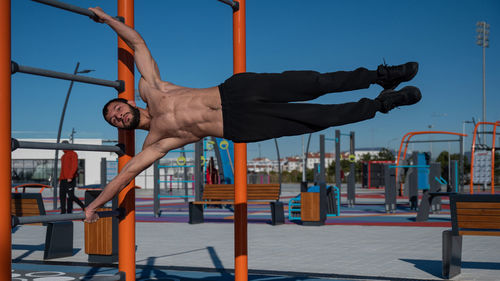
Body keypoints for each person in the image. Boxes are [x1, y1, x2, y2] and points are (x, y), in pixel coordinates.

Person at [84, 7, 421, 222]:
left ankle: (382, 76)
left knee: (315, 83)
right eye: (114, 120)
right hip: (239, 124)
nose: (118, 116)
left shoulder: (151, 88)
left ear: (128, 102)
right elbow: (124, 175)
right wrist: (94, 205)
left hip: (235, 91)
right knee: (320, 117)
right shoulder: (155, 142)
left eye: (117, 109)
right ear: (122, 126)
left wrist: (108, 20)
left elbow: (139, 44)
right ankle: (382, 104)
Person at [59, 140, 85, 214]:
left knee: (71, 196)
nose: (61, 148)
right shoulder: (63, 156)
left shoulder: (73, 154)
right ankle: (63, 212)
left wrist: (70, 176)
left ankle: (83, 206)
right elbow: (62, 169)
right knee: (62, 196)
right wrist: (60, 179)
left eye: (62, 146)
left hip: (70, 179)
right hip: (63, 179)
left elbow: (74, 166)